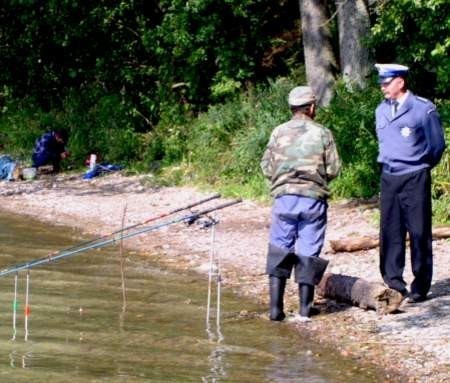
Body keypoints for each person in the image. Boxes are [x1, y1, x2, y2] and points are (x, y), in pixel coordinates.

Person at [261, 86, 341, 321]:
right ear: (312, 107)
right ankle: (305, 309)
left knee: (280, 247)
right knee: (308, 250)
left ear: (292, 108)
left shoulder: (278, 132)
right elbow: (333, 169)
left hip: (284, 198)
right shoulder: (323, 133)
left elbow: (266, 166)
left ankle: (276, 310)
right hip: (312, 200)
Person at [374, 64, 446, 303]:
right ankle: (394, 282)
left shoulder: (422, 110)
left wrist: (420, 166)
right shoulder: (381, 110)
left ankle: (420, 285)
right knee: (390, 230)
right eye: (382, 83)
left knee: (418, 230)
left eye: (386, 82)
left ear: (400, 82)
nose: (382, 87)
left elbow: (436, 146)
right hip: (389, 176)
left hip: (415, 175)